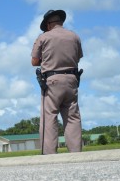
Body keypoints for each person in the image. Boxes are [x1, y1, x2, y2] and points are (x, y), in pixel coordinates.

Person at [31, 9, 84, 155]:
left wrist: (48, 59)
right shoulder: (74, 36)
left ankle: (49, 155)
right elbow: (78, 58)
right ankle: (76, 153)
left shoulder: (43, 37)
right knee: (73, 116)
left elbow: (34, 61)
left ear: (48, 24)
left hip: (52, 81)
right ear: (61, 21)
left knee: (49, 116)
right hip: (72, 80)